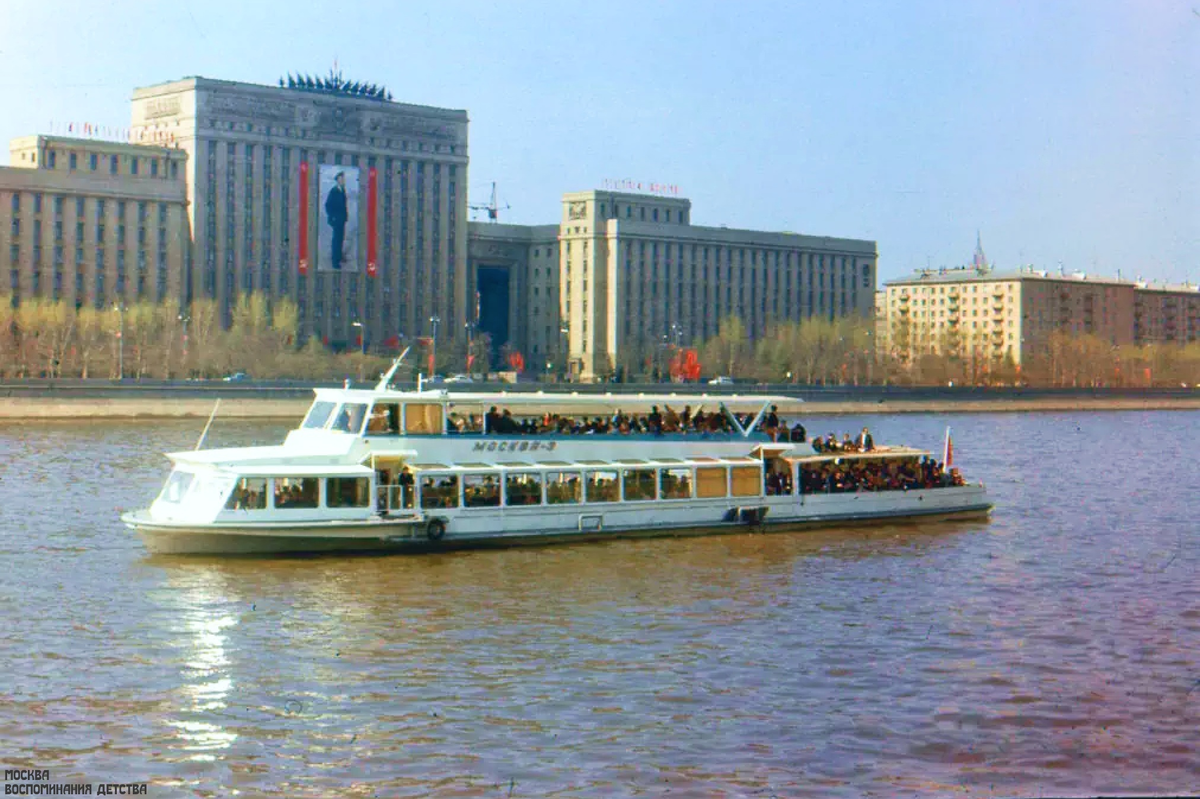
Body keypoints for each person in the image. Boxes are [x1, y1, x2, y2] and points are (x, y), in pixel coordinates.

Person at [325, 171, 348, 270]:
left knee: (340, 238)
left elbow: (343, 205)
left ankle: (338, 256)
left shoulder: (342, 190)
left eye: (343, 179)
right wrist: (332, 217)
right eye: (341, 179)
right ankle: (335, 262)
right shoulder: (334, 191)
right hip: (336, 219)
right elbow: (328, 205)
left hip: (341, 219)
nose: (343, 180)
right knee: (336, 240)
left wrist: (345, 216)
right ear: (338, 180)